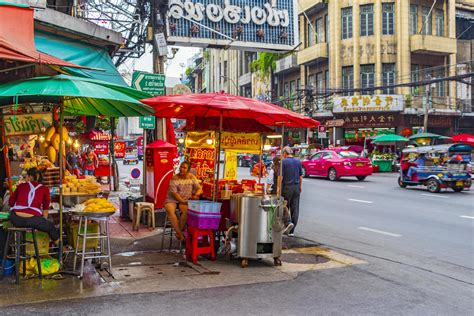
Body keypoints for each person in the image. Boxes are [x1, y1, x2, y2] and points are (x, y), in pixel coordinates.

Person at [9, 168, 59, 243]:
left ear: (30, 177)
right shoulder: (45, 189)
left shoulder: (21, 186)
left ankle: (22, 247)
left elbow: (11, 202)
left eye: (26, 176)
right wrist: (43, 222)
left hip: (16, 219)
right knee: (51, 227)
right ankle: (61, 250)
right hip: (33, 221)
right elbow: (45, 209)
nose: (25, 178)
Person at [164, 161, 202, 240]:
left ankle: (179, 232)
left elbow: (199, 188)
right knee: (170, 211)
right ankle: (179, 233)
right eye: (181, 167)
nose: (181, 169)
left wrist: (196, 194)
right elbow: (175, 194)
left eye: (184, 168)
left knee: (186, 212)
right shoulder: (174, 178)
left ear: (188, 170)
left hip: (185, 200)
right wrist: (183, 201)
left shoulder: (192, 177)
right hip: (172, 199)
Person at [281, 146, 302, 237]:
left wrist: (278, 189)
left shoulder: (284, 161)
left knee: (283, 206)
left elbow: (280, 177)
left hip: (287, 187)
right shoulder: (298, 161)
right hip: (296, 187)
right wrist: (300, 187)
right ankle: (292, 231)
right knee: (295, 209)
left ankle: (288, 223)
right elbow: (300, 177)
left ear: (285, 153)